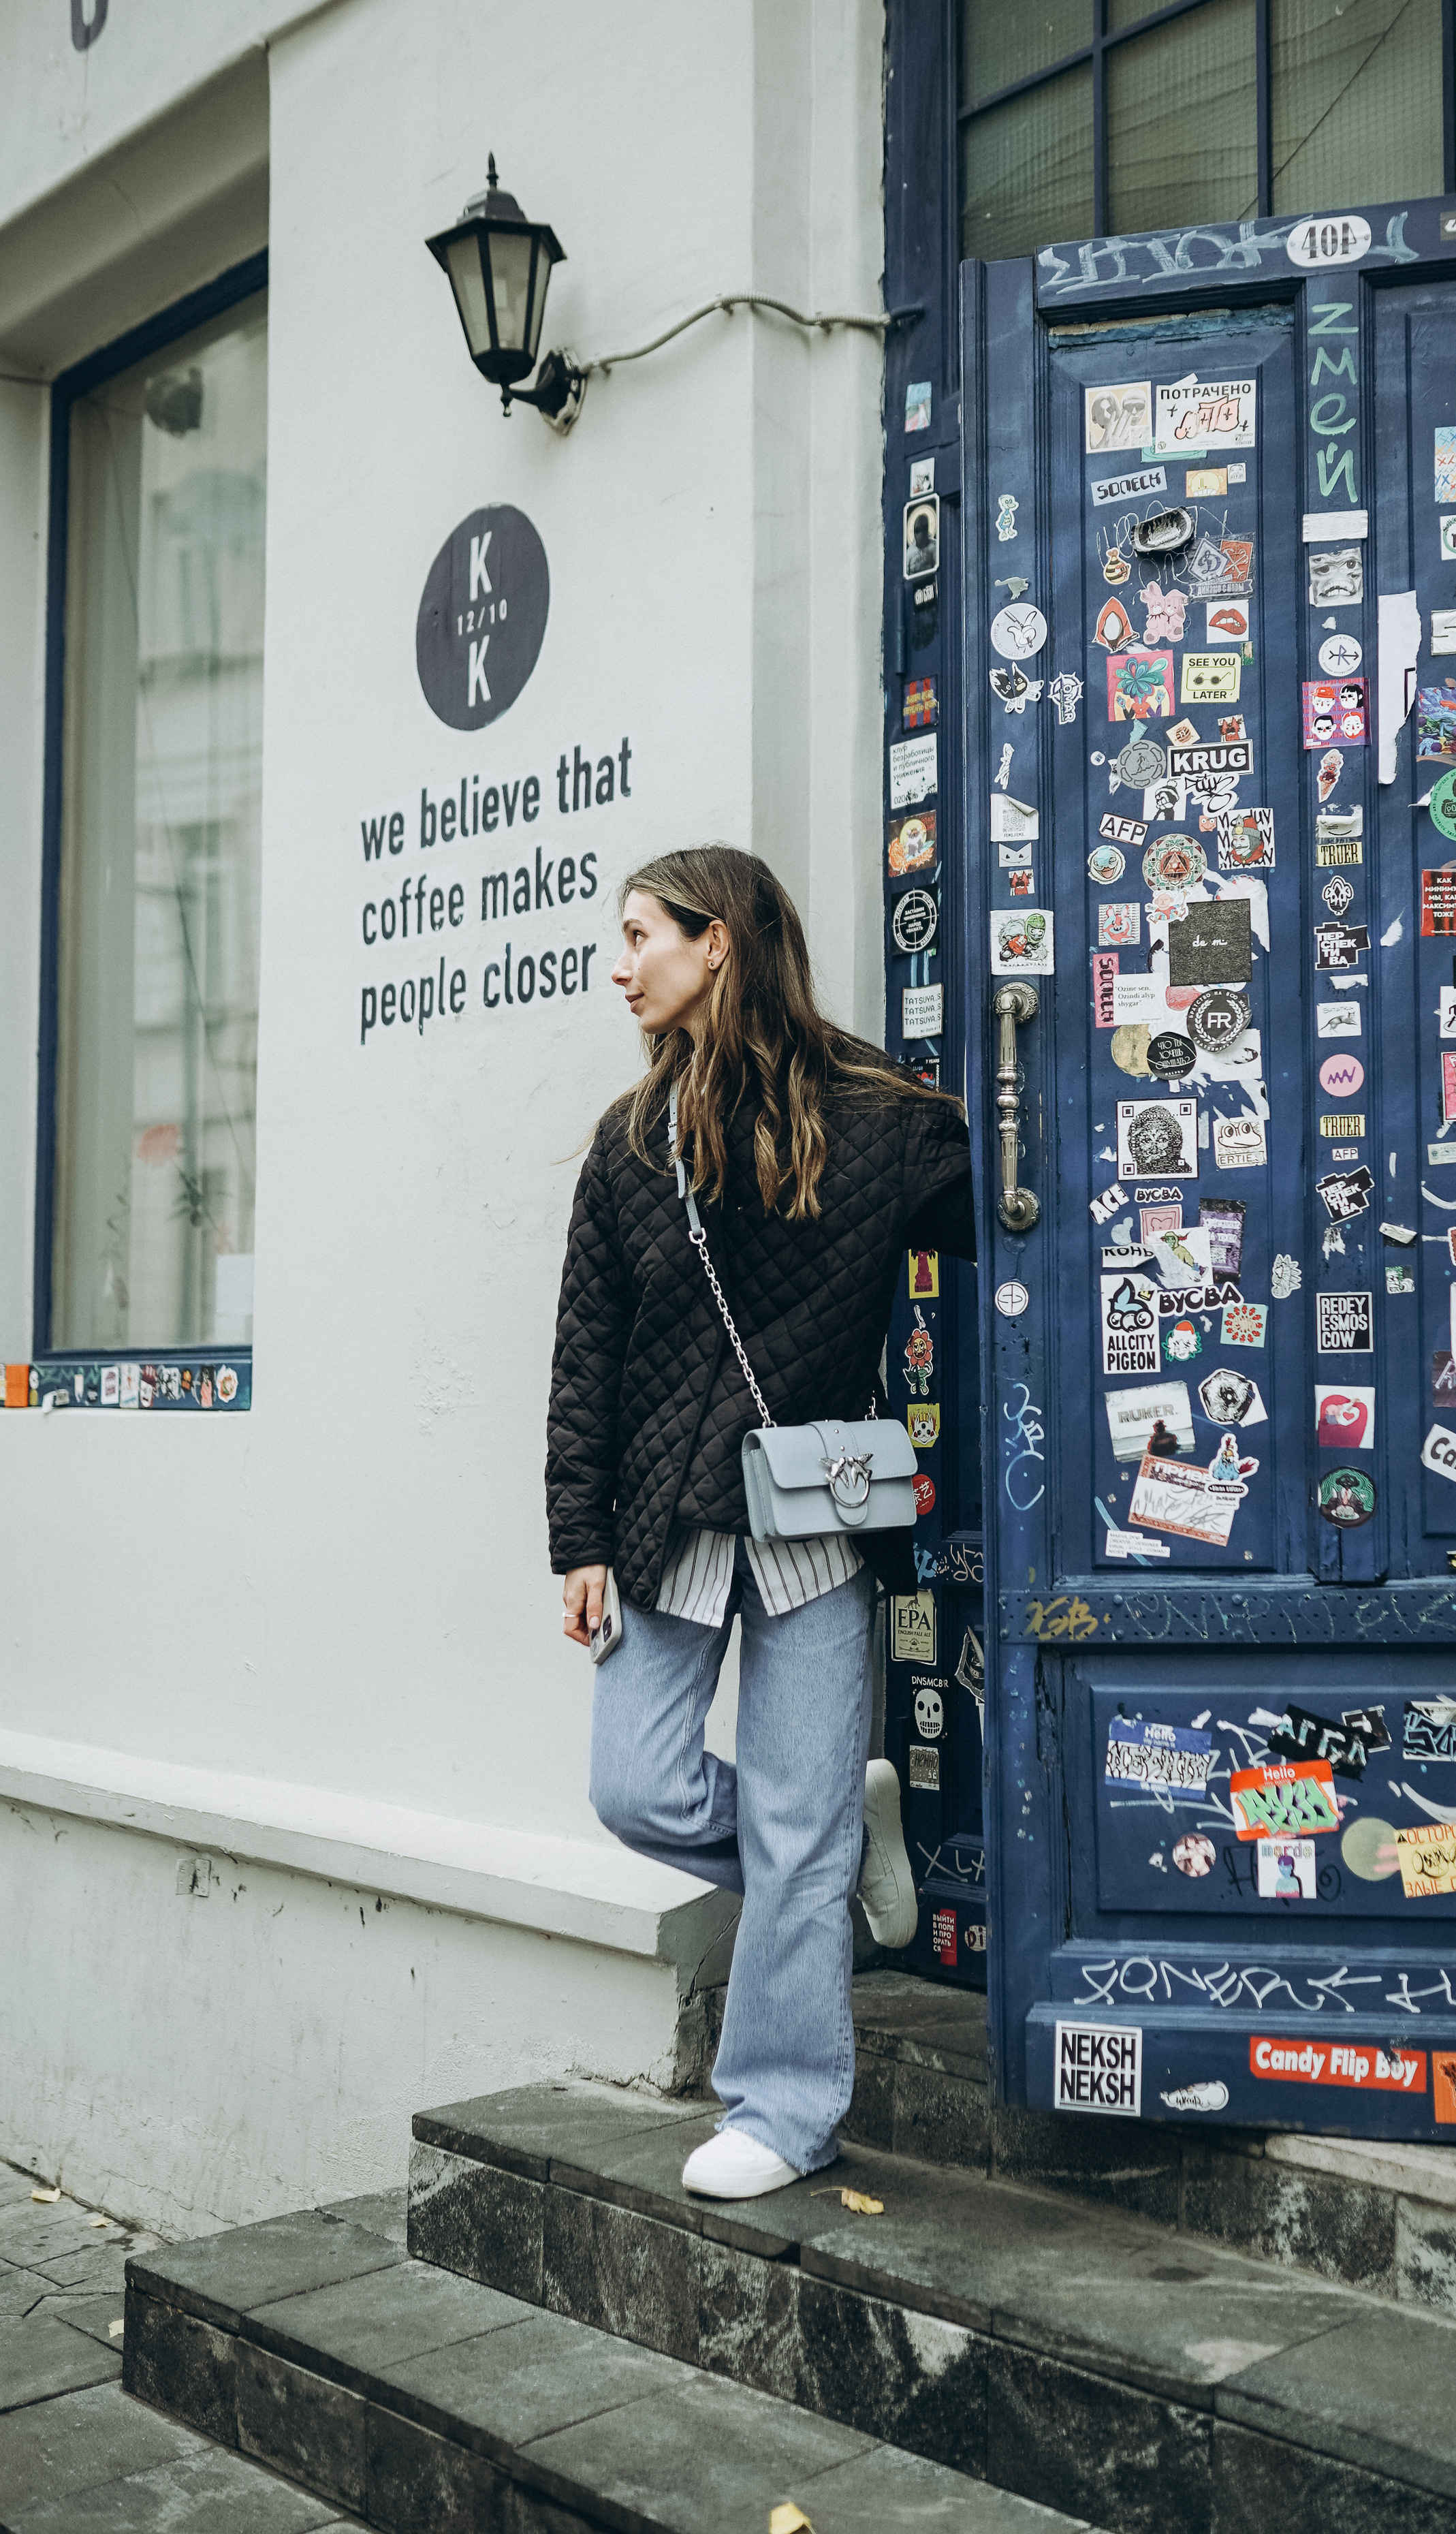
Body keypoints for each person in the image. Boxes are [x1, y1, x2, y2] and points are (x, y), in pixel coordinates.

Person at [548, 847, 975, 2202]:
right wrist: (578, 1540)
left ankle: (784, 2112)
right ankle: (835, 1856)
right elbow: (586, 1360)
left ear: (716, 941)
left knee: (796, 1822)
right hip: (666, 1521)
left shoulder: (873, 1123)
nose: (617, 966)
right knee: (637, 1786)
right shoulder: (628, 1150)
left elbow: (1002, 1197)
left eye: (637, 937)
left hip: (812, 1525)